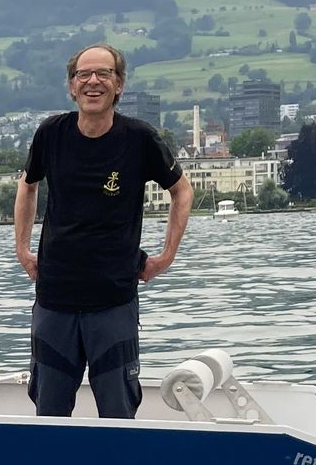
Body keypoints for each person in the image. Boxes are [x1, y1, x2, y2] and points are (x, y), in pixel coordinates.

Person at [14, 44, 191, 418]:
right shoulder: (51, 133)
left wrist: (166, 256)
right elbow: (27, 184)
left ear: (119, 84)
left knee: (118, 414)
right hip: (55, 299)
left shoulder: (139, 139)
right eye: (83, 74)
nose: (93, 81)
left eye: (104, 74)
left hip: (113, 300)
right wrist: (22, 249)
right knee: (49, 415)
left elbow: (182, 190)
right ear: (71, 86)